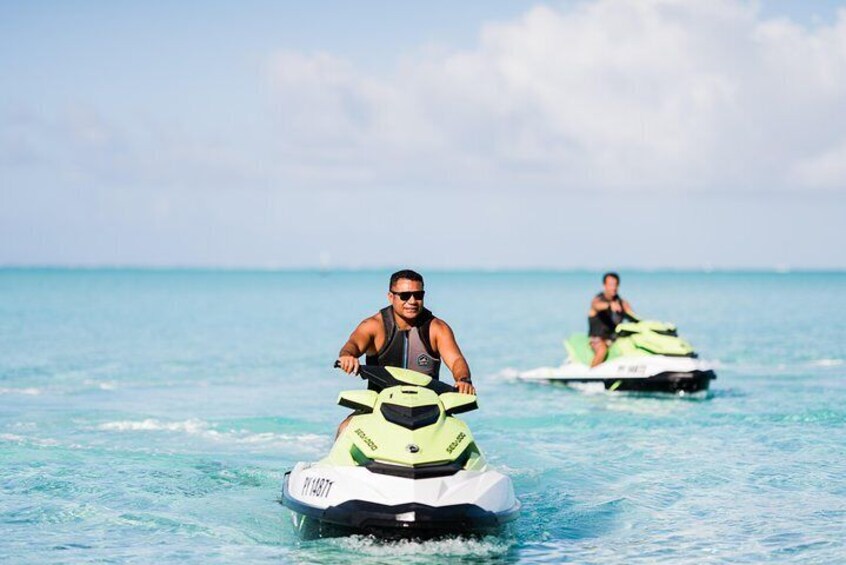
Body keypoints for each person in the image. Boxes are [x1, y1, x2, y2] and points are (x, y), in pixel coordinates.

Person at [335, 269, 475, 435]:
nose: (412, 301)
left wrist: (463, 379)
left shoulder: (437, 328)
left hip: (428, 409)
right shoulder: (374, 326)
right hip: (379, 406)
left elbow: (456, 360)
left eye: (418, 295)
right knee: (345, 428)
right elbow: (353, 345)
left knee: (461, 433)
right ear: (390, 297)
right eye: (405, 295)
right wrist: (347, 356)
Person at [588, 272, 639, 367]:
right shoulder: (598, 300)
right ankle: (590, 374)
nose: (613, 287)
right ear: (604, 286)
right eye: (610, 284)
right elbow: (596, 306)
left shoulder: (622, 303)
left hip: (614, 339)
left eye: (615, 285)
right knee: (602, 350)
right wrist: (609, 305)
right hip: (598, 339)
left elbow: (633, 316)